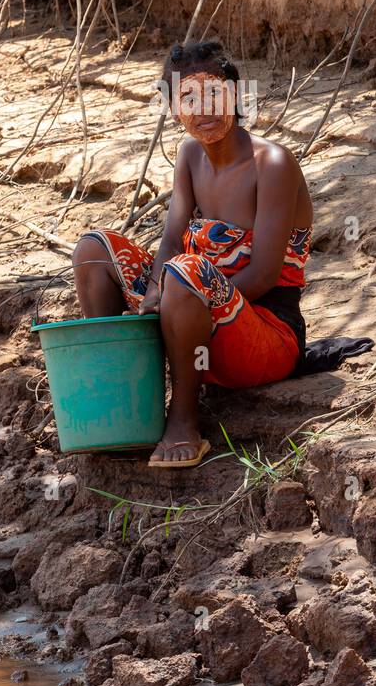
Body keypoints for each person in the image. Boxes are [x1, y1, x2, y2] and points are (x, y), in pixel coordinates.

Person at [72, 40, 313, 469]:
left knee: (185, 274)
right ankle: (123, 400)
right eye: (188, 97)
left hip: (265, 336)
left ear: (237, 97)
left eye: (215, 94)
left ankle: (184, 419)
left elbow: (262, 275)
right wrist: (154, 295)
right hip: (190, 317)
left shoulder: (272, 164)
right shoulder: (189, 156)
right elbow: (169, 242)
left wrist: (182, 298)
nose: (203, 108)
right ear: (171, 108)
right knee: (93, 250)